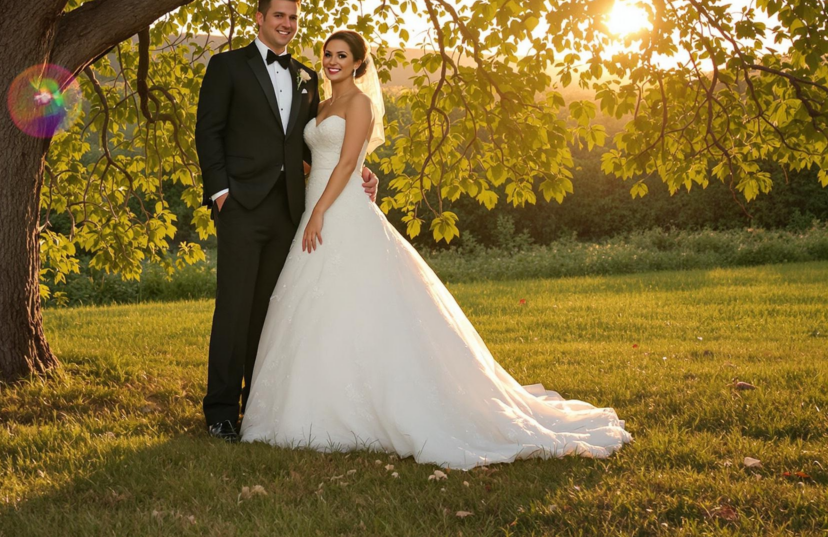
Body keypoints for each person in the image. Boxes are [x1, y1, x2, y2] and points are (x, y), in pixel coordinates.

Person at [239, 29, 631, 468]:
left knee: (356, 301)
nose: (331, 62)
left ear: (357, 64)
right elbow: (317, 157)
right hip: (320, 201)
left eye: (341, 56)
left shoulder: (360, 104)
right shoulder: (322, 104)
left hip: (338, 209)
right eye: (328, 54)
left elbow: (350, 162)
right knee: (310, 301)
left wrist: (319, 212)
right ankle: (306, 409)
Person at [194, 0, 378, 440]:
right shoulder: (228, 66)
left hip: (289, 212)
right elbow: (208, 131)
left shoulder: (307, 77)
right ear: (260, 18)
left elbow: (309, 141)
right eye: (279, 15)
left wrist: (362, 170)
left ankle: (257, 402)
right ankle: (220, 411)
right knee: (234, 308)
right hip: (240, 206)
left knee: (270, 311)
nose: (287, 23)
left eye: (293, 17)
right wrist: (221, 193)